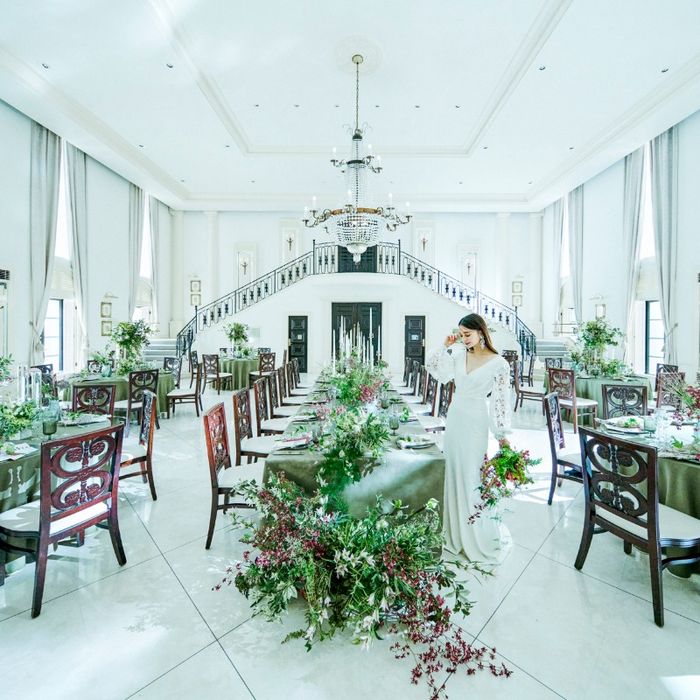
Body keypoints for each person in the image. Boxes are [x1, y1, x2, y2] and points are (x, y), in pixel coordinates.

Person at [427, 313, 512, 564]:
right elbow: (436, 370)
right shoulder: (458, 355)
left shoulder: (499, 364)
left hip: (475, 421)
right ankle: (452, 529)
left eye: (467, 334)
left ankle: (473, 531)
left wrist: (502, 435)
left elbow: (500, 402)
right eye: (461, 334)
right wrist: (445, 345)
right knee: (453, 470)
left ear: (481, 332)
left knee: (471, 473)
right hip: (455, 418)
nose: (464, 339)